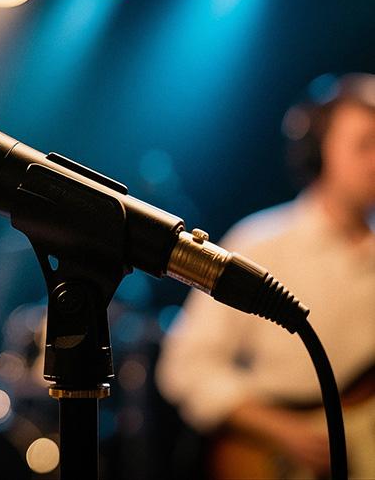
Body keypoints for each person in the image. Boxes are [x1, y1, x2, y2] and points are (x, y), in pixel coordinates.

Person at [156, 72, 375, 478]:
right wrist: (283, 430)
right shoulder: (262, 242)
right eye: (365, 144)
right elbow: (186, 364)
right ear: (319, 151)